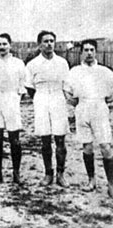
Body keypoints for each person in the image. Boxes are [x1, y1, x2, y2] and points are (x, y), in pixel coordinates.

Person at [64, 39, 113, 197]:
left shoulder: (105, 72)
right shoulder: (74, 72)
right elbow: (67, 90)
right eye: (86, 50)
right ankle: (91, 180)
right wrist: (74, 103)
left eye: (92, 49)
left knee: (106, 146)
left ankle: (111, 183)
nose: (89, 53)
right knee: (87, 147)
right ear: (81, 52)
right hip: (82, 108)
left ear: (96, 51)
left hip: (99, 107)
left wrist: (107, 105)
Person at [26, 31, 70, 187]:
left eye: (52, 41)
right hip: (41, 98)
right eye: (45, 41)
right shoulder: (32, 65)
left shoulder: (62, 63)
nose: (49, 44)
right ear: (39, 44)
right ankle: (48, 173)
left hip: (58, 98)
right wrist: (40, 99)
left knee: (60, 138)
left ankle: (61, 174)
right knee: (45, 139)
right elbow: (30, 88)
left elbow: (67, 84)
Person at [0, 33, 27, 185]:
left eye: (4, 44)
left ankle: (16, 173)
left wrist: (15, 100)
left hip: (11, 101)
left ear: (10, 45)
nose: (2, 47)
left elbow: (22, 85)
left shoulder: (18, 63)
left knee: (14, 140)